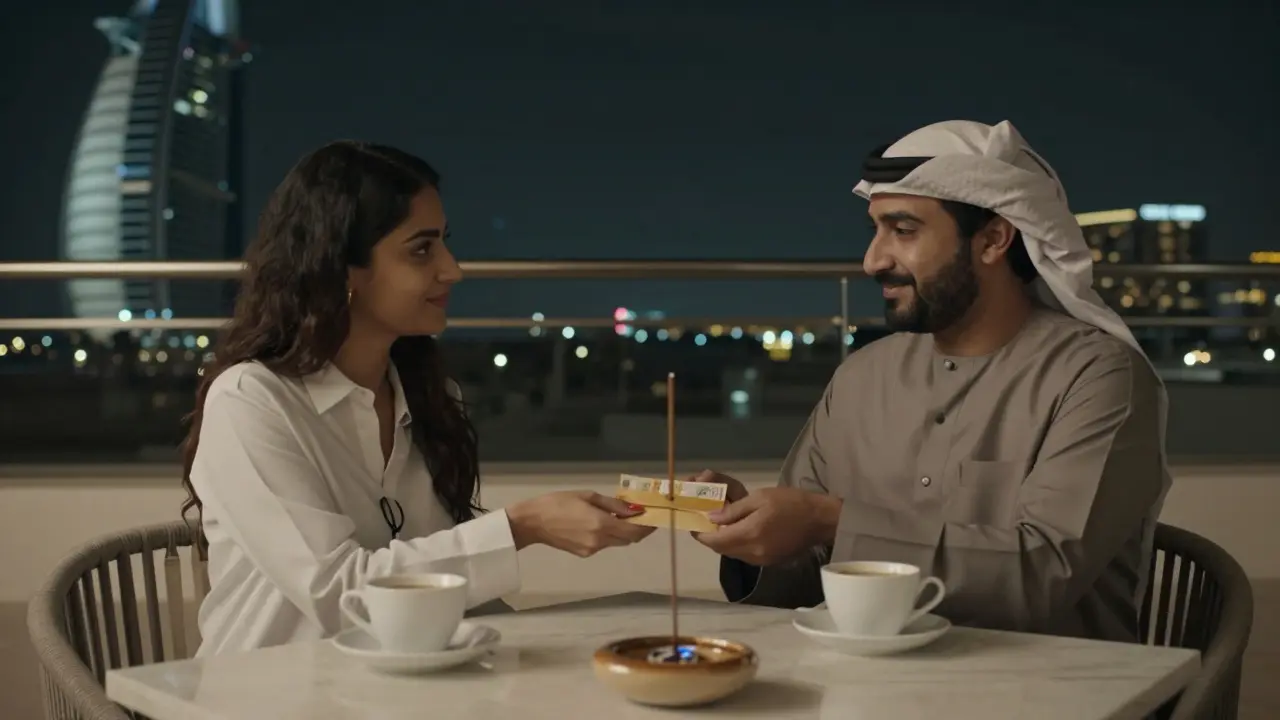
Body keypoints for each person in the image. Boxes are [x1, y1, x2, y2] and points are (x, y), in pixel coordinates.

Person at [695, 120, 1170, 643]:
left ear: (992, 240)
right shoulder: (861, 377)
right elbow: (809, 569)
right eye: (875, 230)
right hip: (872, 684)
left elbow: (1042, 578)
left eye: (904, 230)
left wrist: (832, 522)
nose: (873, 260)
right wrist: (751, 535)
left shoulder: (1096, 376)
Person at [182, 141, 654, 656]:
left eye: (445, 244)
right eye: (422, 249)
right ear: (342, 269)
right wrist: (524, 526)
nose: (452, 270)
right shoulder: (251, 402)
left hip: (395, 692)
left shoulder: (427, 396)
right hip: (264, 697)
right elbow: (340, 592)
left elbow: (445, 593)